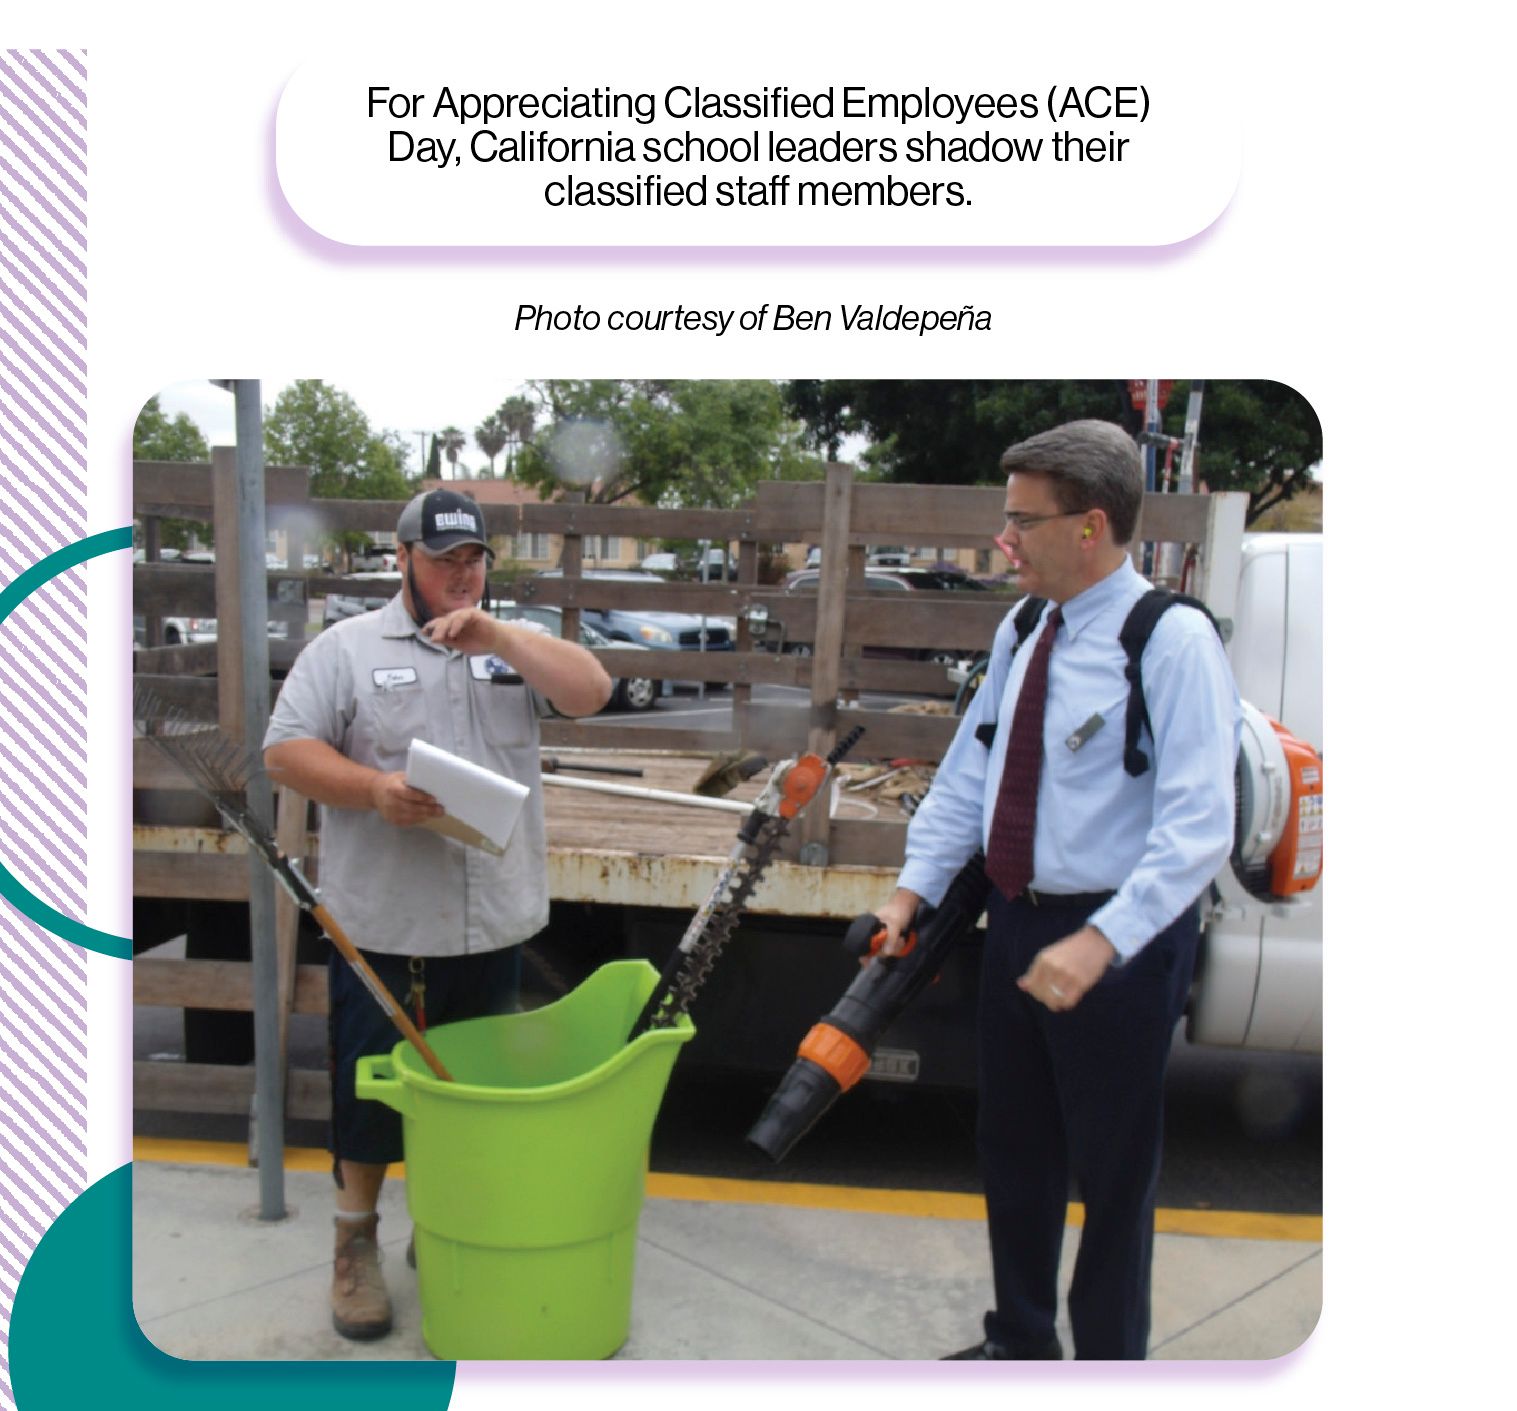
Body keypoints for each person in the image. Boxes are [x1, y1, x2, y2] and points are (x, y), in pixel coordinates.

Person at [871, 421, 1240, 1360]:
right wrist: (909, 893)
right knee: (1015, 1151)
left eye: (1022, 521)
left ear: (1090, 525)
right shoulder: (1024, 625)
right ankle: (1021, 1345)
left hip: (1120, 938)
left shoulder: (1168, 640)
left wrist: (1099, 942)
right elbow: (967, 773)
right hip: (1020, 919)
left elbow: (1198, 824)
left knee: (1114, 1178)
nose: (1005, 539)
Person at [263, 488, 612, 1341]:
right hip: (384, 923)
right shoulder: (344, 649)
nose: (462, 574)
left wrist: (498, 634)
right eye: (444, 558)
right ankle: (354, 1243)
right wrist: (373, 787)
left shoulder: (511, 649)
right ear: (403, 558)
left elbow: (593, 691)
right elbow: (285, 751)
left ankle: (445, 1226)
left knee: (472, 1098)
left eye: (474, 559)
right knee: (372, 1099)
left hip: (491, 925)